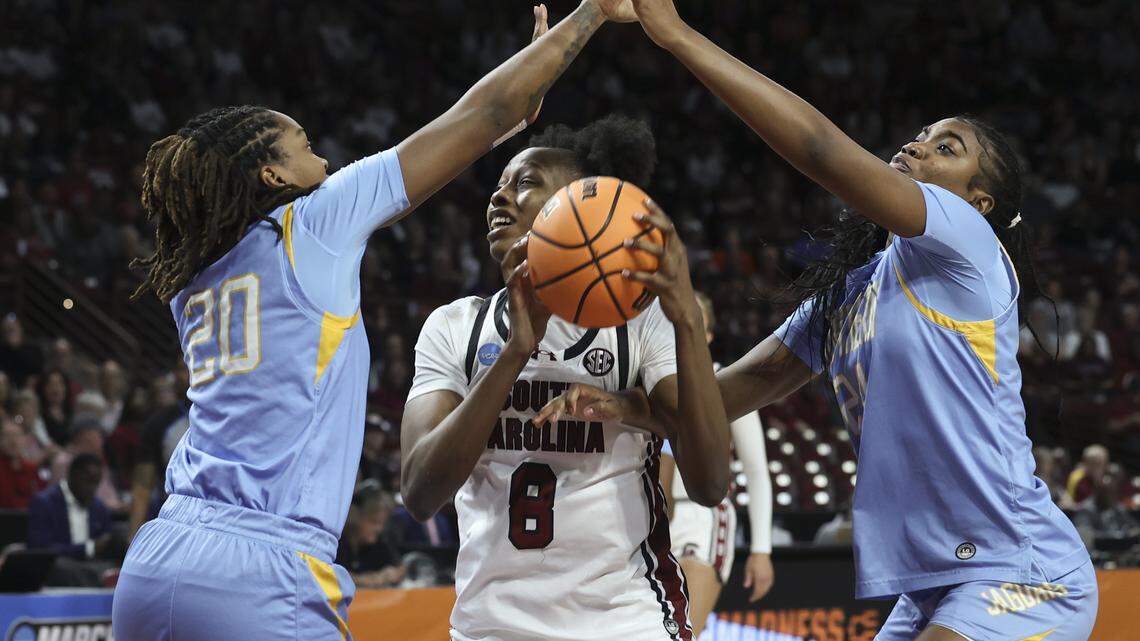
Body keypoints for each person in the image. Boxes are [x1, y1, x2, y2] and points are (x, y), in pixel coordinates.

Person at [550, 3, 1098, 640]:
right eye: (922, 134)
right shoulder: (854, 292)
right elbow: (739, 389)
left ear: (980, 202)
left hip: (1024, 570)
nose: (917, 145)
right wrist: (628, 405)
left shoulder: (971, 244)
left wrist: (677, 35)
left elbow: (821, 150)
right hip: (936, 585)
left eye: (945, 148)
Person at [112, 3, 641, 640]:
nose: (324, 161)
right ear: (272, 174)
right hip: (261, 565)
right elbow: (479, 114)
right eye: (305, 147)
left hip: (160, 555)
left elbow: (492, 118)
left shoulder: (194, 275)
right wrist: (587, 16)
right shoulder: (312, 222)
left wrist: (513, 109)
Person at [402, 116, 729, 641]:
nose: (499, 197)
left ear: (579, 208)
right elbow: (420, 492)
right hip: (491, 627)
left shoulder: (641, 324)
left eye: (525, 183)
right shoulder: (454, 326)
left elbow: (710, 484)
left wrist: (688, 314)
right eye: (499, 185)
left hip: (625, 622)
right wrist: (516, 351)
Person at [657, 292, 774, 638]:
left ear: (707, 334)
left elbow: (756, 471)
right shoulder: (647, 381)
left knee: (683, 631)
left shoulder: (727, 381)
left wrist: (761, 549)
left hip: (703, 515)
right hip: (653, 515)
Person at [27, 453, 117, 586]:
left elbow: (106, 542)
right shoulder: (44, 502)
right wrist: (88, 548)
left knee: (112, 567)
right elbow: (40, 549)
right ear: (72, 475)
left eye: (96, 483)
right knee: (58, 567)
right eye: (88, 481)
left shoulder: (99, 507)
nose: (92, 489)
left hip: (92, 565)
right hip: (61, 565)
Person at [0, 418, 44, 509]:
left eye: (17, 436)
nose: (12, 441)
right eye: (7, 436)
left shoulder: (32, 469)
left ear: (25, 440)